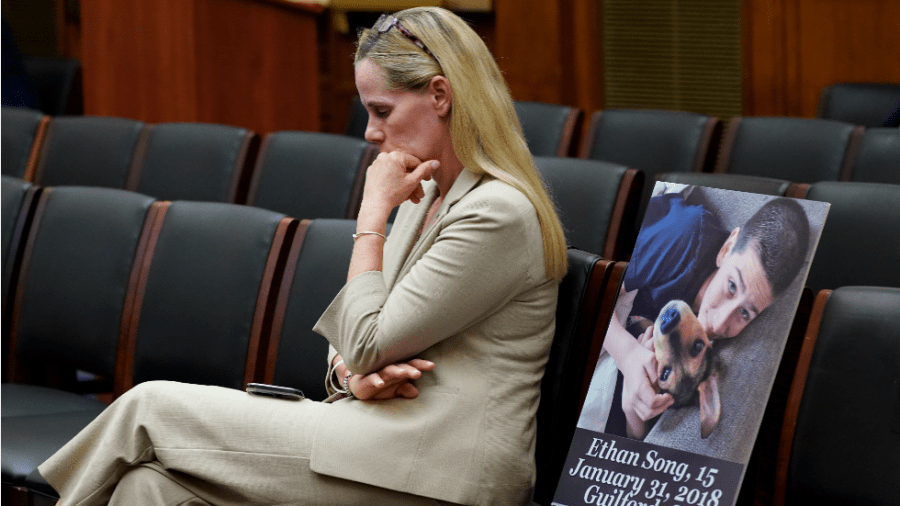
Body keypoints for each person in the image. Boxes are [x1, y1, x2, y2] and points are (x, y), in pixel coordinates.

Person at [38, 7, 568, 506]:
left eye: (382, 111)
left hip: (445, 469)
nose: (370, 132)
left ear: (440, 95)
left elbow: (364, 339)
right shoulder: (429, 191)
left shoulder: (498, 213)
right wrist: (350, 378)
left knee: (147, 408)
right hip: (379, 435)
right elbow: (357, 343)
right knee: (146, 487)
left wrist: (371, 217)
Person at [578, 188, 810, 440]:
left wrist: (632, 408)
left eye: (744, 313)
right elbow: (587, 293)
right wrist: (628, 355)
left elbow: (633, 439)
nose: (720, 323)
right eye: (731, 286)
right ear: (727, 249)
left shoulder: (696, 365)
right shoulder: (682, 236)